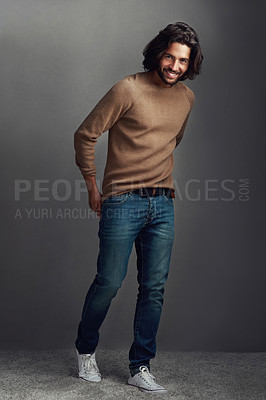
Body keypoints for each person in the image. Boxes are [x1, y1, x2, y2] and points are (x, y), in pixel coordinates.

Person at [74, 21, 203, 393]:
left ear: (190, 64)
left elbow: (169, 141)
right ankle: (86, 351)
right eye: (170, 57)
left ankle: (140, 365)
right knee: (110, 281)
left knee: (154, 288)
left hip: (162, 203)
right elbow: (86, 134)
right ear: (158, 53)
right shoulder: (128, 89)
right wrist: (92, 185)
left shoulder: (187, 99)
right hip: (122, 200)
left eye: (183, 61)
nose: (175, 66)